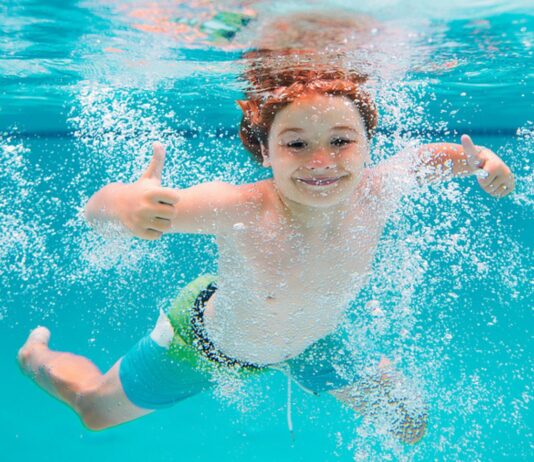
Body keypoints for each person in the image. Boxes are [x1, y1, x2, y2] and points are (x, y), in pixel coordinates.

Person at [17, 63, 515, 445]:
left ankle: (316, 367)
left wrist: (484, 162)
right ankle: (36, 358)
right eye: (296, 144)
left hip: (313, 341)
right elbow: (93, 210)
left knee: (410, 424)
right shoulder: (240, 208)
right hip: (208, 343)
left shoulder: (378, 190)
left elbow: (430, 159)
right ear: (265, 151)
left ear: (367, 143)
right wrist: (124, 204)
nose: (321, 161)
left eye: (341, 141)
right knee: (93, 411)